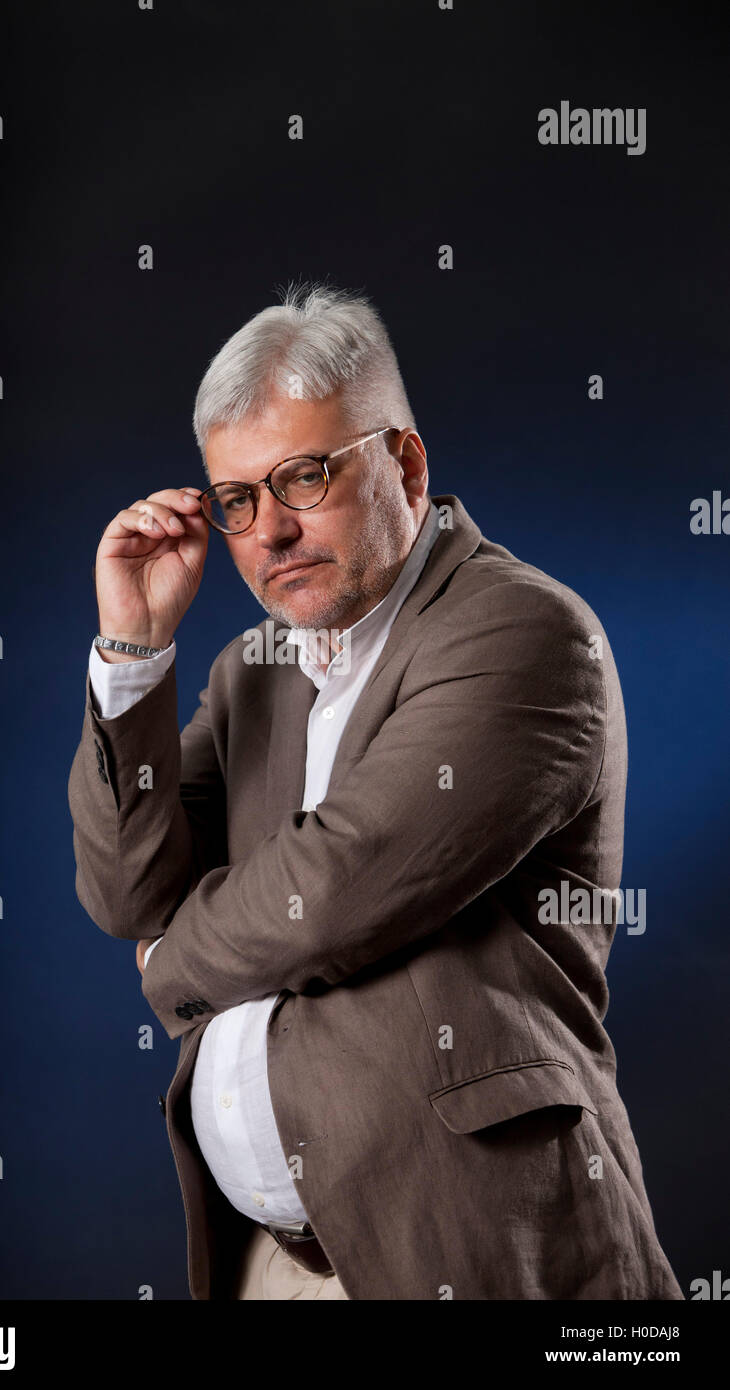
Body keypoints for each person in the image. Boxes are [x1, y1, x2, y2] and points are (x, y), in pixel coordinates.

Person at [67, 281, 683, 1301]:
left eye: (302, 477)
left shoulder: (522, 632)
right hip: (271, 1260)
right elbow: (127, 891)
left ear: (403, 461)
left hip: (471, 1250)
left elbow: (334, 890)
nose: (266, 533)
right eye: (237, 501)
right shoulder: (252, 668)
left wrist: (174, 955)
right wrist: (134, 646)